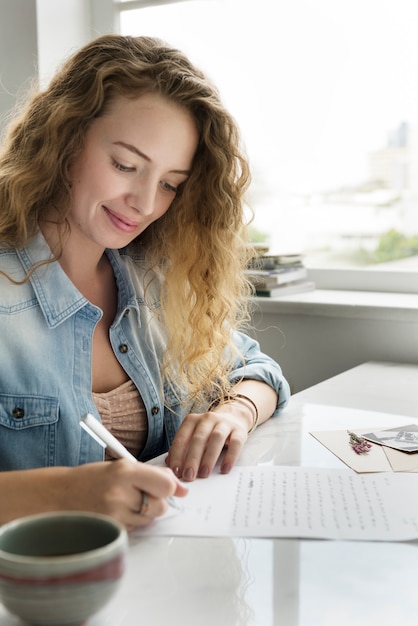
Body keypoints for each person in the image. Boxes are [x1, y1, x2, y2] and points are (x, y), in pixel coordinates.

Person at [0, 34, 290, 530]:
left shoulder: (147, 281)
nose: (145, 202)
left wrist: (234, 413)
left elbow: (258, 369)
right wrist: (68, 491)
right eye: (125, 165)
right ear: (65, 138)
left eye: (170, 184)